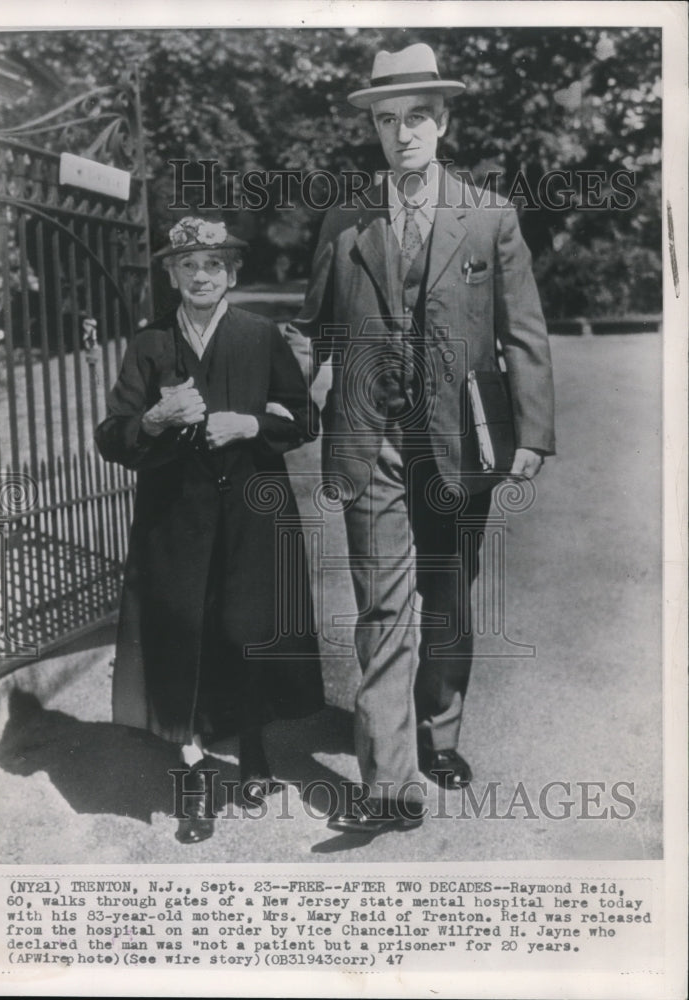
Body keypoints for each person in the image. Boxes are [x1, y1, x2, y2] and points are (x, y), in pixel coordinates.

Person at [287, 42, 555, 834]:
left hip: (460, 444)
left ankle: (439, 735)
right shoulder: (344, 222)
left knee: (445, 601)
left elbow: (526, 333)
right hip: (370, 443)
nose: (400, 134)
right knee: (381, 608)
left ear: (441, 123)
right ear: (373, 127)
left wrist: (531, 434)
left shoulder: (487, 215)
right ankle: (390, 781)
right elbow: (310, 330)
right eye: (385, 120)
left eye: (415, 118)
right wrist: (300, 385)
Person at [95, 216, 324, 844]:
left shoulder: (257, 336)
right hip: (175, 518)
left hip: (254, 511)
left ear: (233, 273)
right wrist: (156, 418)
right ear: (171, 274)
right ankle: (194, 774)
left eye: (214, 265)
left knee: (246, 631)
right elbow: (111, 435)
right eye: (188, 266)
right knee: (184, 638)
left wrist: (250, 425)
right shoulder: (149, 344)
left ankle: (253, 754)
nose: (201, 276)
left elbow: (305, 417)